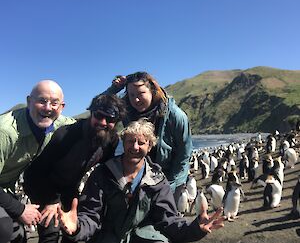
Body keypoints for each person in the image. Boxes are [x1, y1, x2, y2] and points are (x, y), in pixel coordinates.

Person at [58, 119, 224, 243]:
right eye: (130, 141)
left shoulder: (157, 180)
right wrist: (76, 229)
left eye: (141, 142)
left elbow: (168, 220)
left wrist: (195, 228)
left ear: (150, 146)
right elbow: (90, 216)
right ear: (123, 142)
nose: (135, 147)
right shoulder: (102, 174)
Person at [23, 94, 127, 243]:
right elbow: (37, 172)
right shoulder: (66, 135)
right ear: (91, 113)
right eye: (99, 116)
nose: (103, 122)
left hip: (69, 187)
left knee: (73, 229)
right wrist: (52, 201)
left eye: (110, 120)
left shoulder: (111, 140)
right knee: (51, 229)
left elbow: (107, 169)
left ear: (116, 122)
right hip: (41, 184)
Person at [0, 80, 76, 243]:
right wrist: (20, 209)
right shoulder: (6, 133)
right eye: (42, 101)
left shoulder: (60, 123)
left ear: (62, 107)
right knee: (4, 228)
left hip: (10, 187)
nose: (48, 108)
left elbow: (94, 120)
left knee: (31, 229)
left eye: (54, 103)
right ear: (29, 101)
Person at [103, 71, 193, 203]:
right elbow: (100, 108)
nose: (136, 99)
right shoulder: (127, 110)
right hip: (140, 175)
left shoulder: (175, 115)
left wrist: (169, 185)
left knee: (165, 218)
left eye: (141, 93)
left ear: (152, 90)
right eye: (132, 94)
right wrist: (114, 89)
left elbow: (184, 154)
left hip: (169, 176)